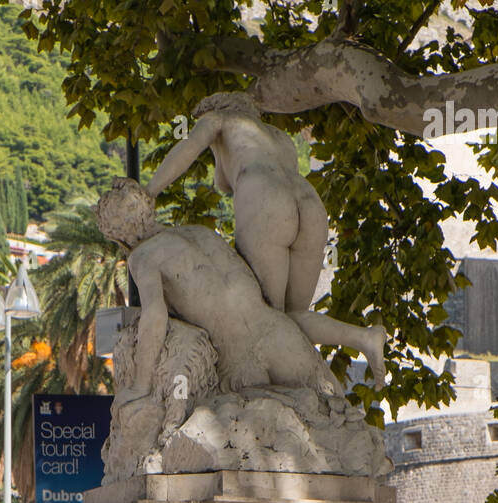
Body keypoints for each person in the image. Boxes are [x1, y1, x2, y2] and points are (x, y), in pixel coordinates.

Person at [145, 93, 387, 384]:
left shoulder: (218, 120)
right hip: (309, 203)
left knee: (265, 317)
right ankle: (364, 337)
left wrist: (148, 193)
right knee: (291, 315)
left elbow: (189, 152)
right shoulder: (278, 136)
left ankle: (297, 382)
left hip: (266, 201)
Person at [96, 178, 345, 406]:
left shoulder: (143, 257)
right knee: (341, 417)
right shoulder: (199, 232)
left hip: (240, 362)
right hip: (280, 333)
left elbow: (155, 317)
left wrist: (141, 384)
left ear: (120, 237)